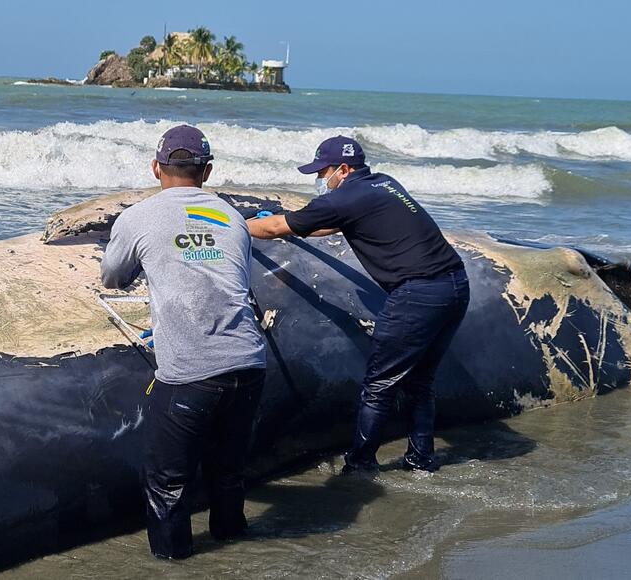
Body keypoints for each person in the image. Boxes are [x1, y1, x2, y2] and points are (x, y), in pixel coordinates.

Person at [246, 135, 469, 473]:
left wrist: (234, 225)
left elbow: (277, 226)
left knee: (379, 384)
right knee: (419, 380)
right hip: (454, 284)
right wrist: (299, 227)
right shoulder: (383, 184)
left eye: (324, 173)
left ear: (344, 169)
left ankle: (361, 463)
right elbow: (332, 223)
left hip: (418, 294)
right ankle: (421, 459)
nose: (322, 180)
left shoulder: (344, 198)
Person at [100, 125, 267, 559]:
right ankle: (233, 544)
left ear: (155, 168)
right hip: (249, 363)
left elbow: (113, 277)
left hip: (191, 372)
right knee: (228, 470)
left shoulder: (137, 216)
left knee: (167, 483)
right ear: (206, 171)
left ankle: (173, 564)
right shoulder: (232, 217)